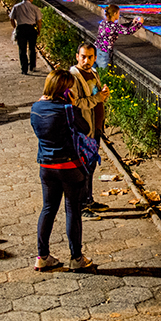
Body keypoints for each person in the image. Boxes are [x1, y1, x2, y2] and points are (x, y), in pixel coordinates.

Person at [29, 69, 97, 271]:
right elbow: (84, 128)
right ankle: (76, 258)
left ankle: (42, 256)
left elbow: (38, 131)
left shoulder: (35, 108)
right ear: (65, 89)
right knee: (72, 210)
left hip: (46, 166)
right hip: (70, 167)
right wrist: (74, 105)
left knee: (48, 208)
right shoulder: (68, 109)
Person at [70, 43, 110, 217]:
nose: (86, 61)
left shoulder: (93, 73)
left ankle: (88, 200)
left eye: (90, 57)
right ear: (77, 56)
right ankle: (80, 206)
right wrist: (97, 98)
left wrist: (103, 95)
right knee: (82, 168)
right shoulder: (73, 77)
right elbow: (76, 103)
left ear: (95, 57)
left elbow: (96, 96)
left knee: (90, 166)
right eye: (83, 56)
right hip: (83, 129)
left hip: (95, 128)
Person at [94, 4, 143, 69]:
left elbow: (120, 27)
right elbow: (128, 31)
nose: (119, 15)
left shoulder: (103, 23)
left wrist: (132, 23)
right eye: (118, 13)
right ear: (114, 14)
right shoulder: (113, 26)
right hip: (104, 53)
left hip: (96, 50)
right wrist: (140, 23)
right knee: (103, 74)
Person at [9, 0, 43, 75]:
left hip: (21, 29)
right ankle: (32, 66)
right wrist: (39, 30)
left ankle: (24, 69)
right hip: (31, 28)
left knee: (22, 49)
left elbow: (11, 18)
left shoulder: (16, 7)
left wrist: (15, 27)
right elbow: (39, 21)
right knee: (32, 48)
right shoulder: (35, 8)